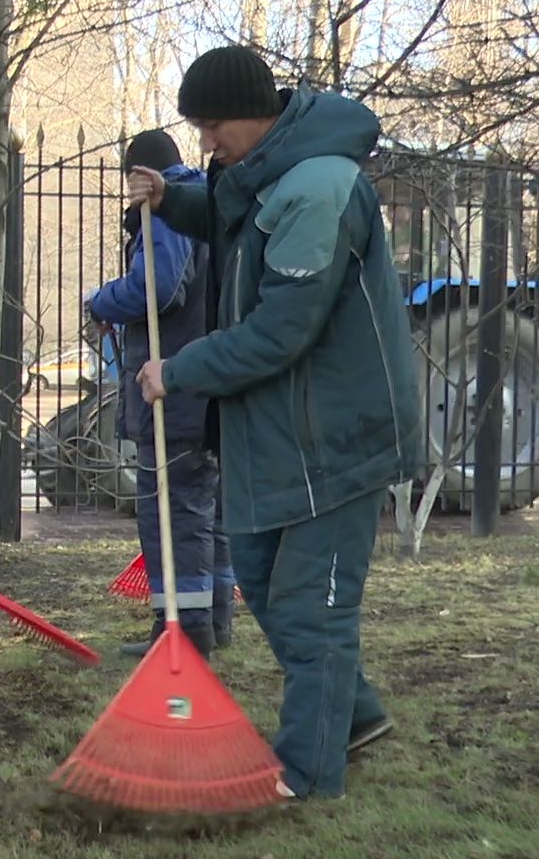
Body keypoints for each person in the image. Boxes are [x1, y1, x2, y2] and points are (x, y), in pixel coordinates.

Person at [125, 46, 422, 800]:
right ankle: (351, 715)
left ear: (256, 114)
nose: (205, 144)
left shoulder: (321, 188)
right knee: (259, 577)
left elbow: (280, 330)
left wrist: (179, 371)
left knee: (311, 606)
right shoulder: (268, 170)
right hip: (282, 430)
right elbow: (231, 215)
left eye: (213, 126)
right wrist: (175, 197)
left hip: (337, 432)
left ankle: (306, 773)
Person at [86, 129, 235, 658]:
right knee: (205, 508)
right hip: (205, 378)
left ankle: (182, 633)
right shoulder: (206, 204)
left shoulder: (165, 211)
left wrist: (100, 300)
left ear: (139, 175)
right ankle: (212, 621)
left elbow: (158, 288)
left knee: (169, 508)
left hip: (172, 387)